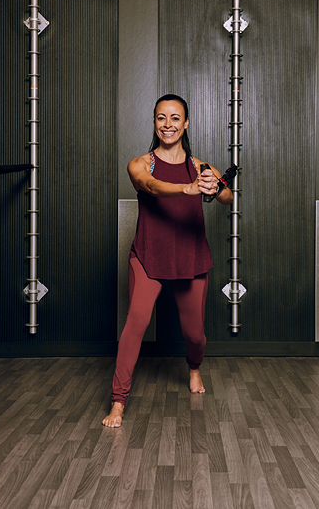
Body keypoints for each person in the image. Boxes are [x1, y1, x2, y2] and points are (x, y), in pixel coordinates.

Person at [102, 94, 233, 428]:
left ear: (186, 123)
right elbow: (152, 186)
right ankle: (118, 401)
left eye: (175, 118)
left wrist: (213, 186)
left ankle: (193, 367)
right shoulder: (140, 164)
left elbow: (227, 197)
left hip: (190, 256)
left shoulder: (201, 166)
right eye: (162, 118)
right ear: (154, 122)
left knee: (195, 336)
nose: (168, 125)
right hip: (147, 256)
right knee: (136, 323)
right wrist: (188, 189)